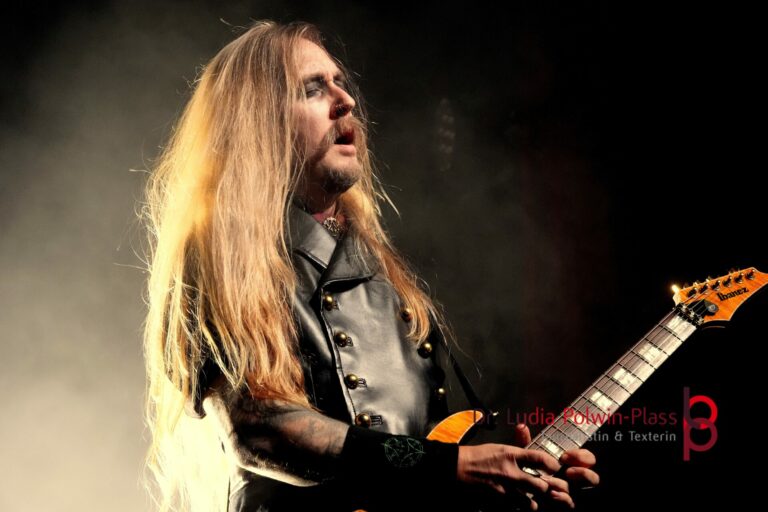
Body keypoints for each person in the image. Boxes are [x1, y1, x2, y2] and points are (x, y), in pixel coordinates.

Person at [140, 19, 599, 512]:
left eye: (340, 83)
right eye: (313, 89)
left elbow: (429, 455)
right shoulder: (217, 249)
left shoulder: (382, 271)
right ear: (259, 123)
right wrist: (449, 468)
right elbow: (260, 429)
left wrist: (516, 476)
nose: (345, 101)